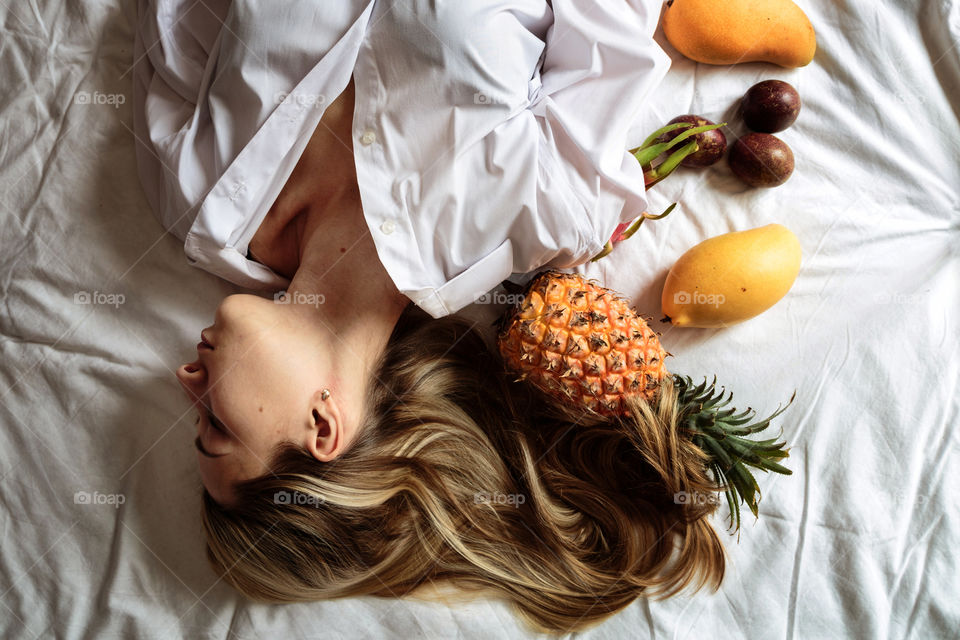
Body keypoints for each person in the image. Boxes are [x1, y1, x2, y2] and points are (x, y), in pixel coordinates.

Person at [134, 0, 725, 632]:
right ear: (322, 425)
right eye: (214, 426)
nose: (185, 380)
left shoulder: (195, 194)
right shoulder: (547, 213)